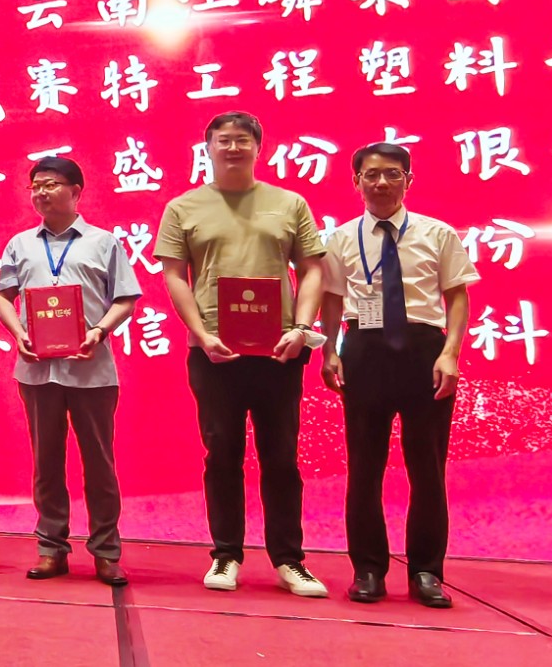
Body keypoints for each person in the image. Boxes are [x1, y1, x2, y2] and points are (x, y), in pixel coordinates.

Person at [156, 111, 330, 597]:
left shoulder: (289, 203)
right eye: (223, 140)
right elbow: (174, 275)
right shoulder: (183, 207)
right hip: (215, 352)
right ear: (207, 148)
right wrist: (200, 332)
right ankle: (226, 554)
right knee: (222, 454)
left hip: (280, 351)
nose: (233, 148)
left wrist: (302, 328)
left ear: (258, 147)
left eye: (242, 140)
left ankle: (289, 560)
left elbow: (312, 270)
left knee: (282, 457)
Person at [320, 143, 477, 609]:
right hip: (364, 351)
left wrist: (450, 354)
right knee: (364, 467)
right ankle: (368, 569)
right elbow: (332, 299)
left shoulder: (437, 233)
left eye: (392, 173)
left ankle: (427, 571)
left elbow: (457, 296)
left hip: (423, 352)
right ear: (357, 181)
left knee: (427, 468)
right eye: (371, 175)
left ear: (409, 180)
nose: (381, 183)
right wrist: (329, 351)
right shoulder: (341, 238)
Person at [0, 157, 138, 586]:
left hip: (92, 371)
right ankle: (51, 548)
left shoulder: (103, 242)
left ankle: (106, 552)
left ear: (76, 191)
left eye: (51, 184)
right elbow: (2, 296)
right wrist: (18, 332)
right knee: (46, 463)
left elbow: (125, 298)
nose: (40, 192)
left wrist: (98, 331)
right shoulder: (20, 244)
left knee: (99, 464)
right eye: (35, 185)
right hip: (37, 371)